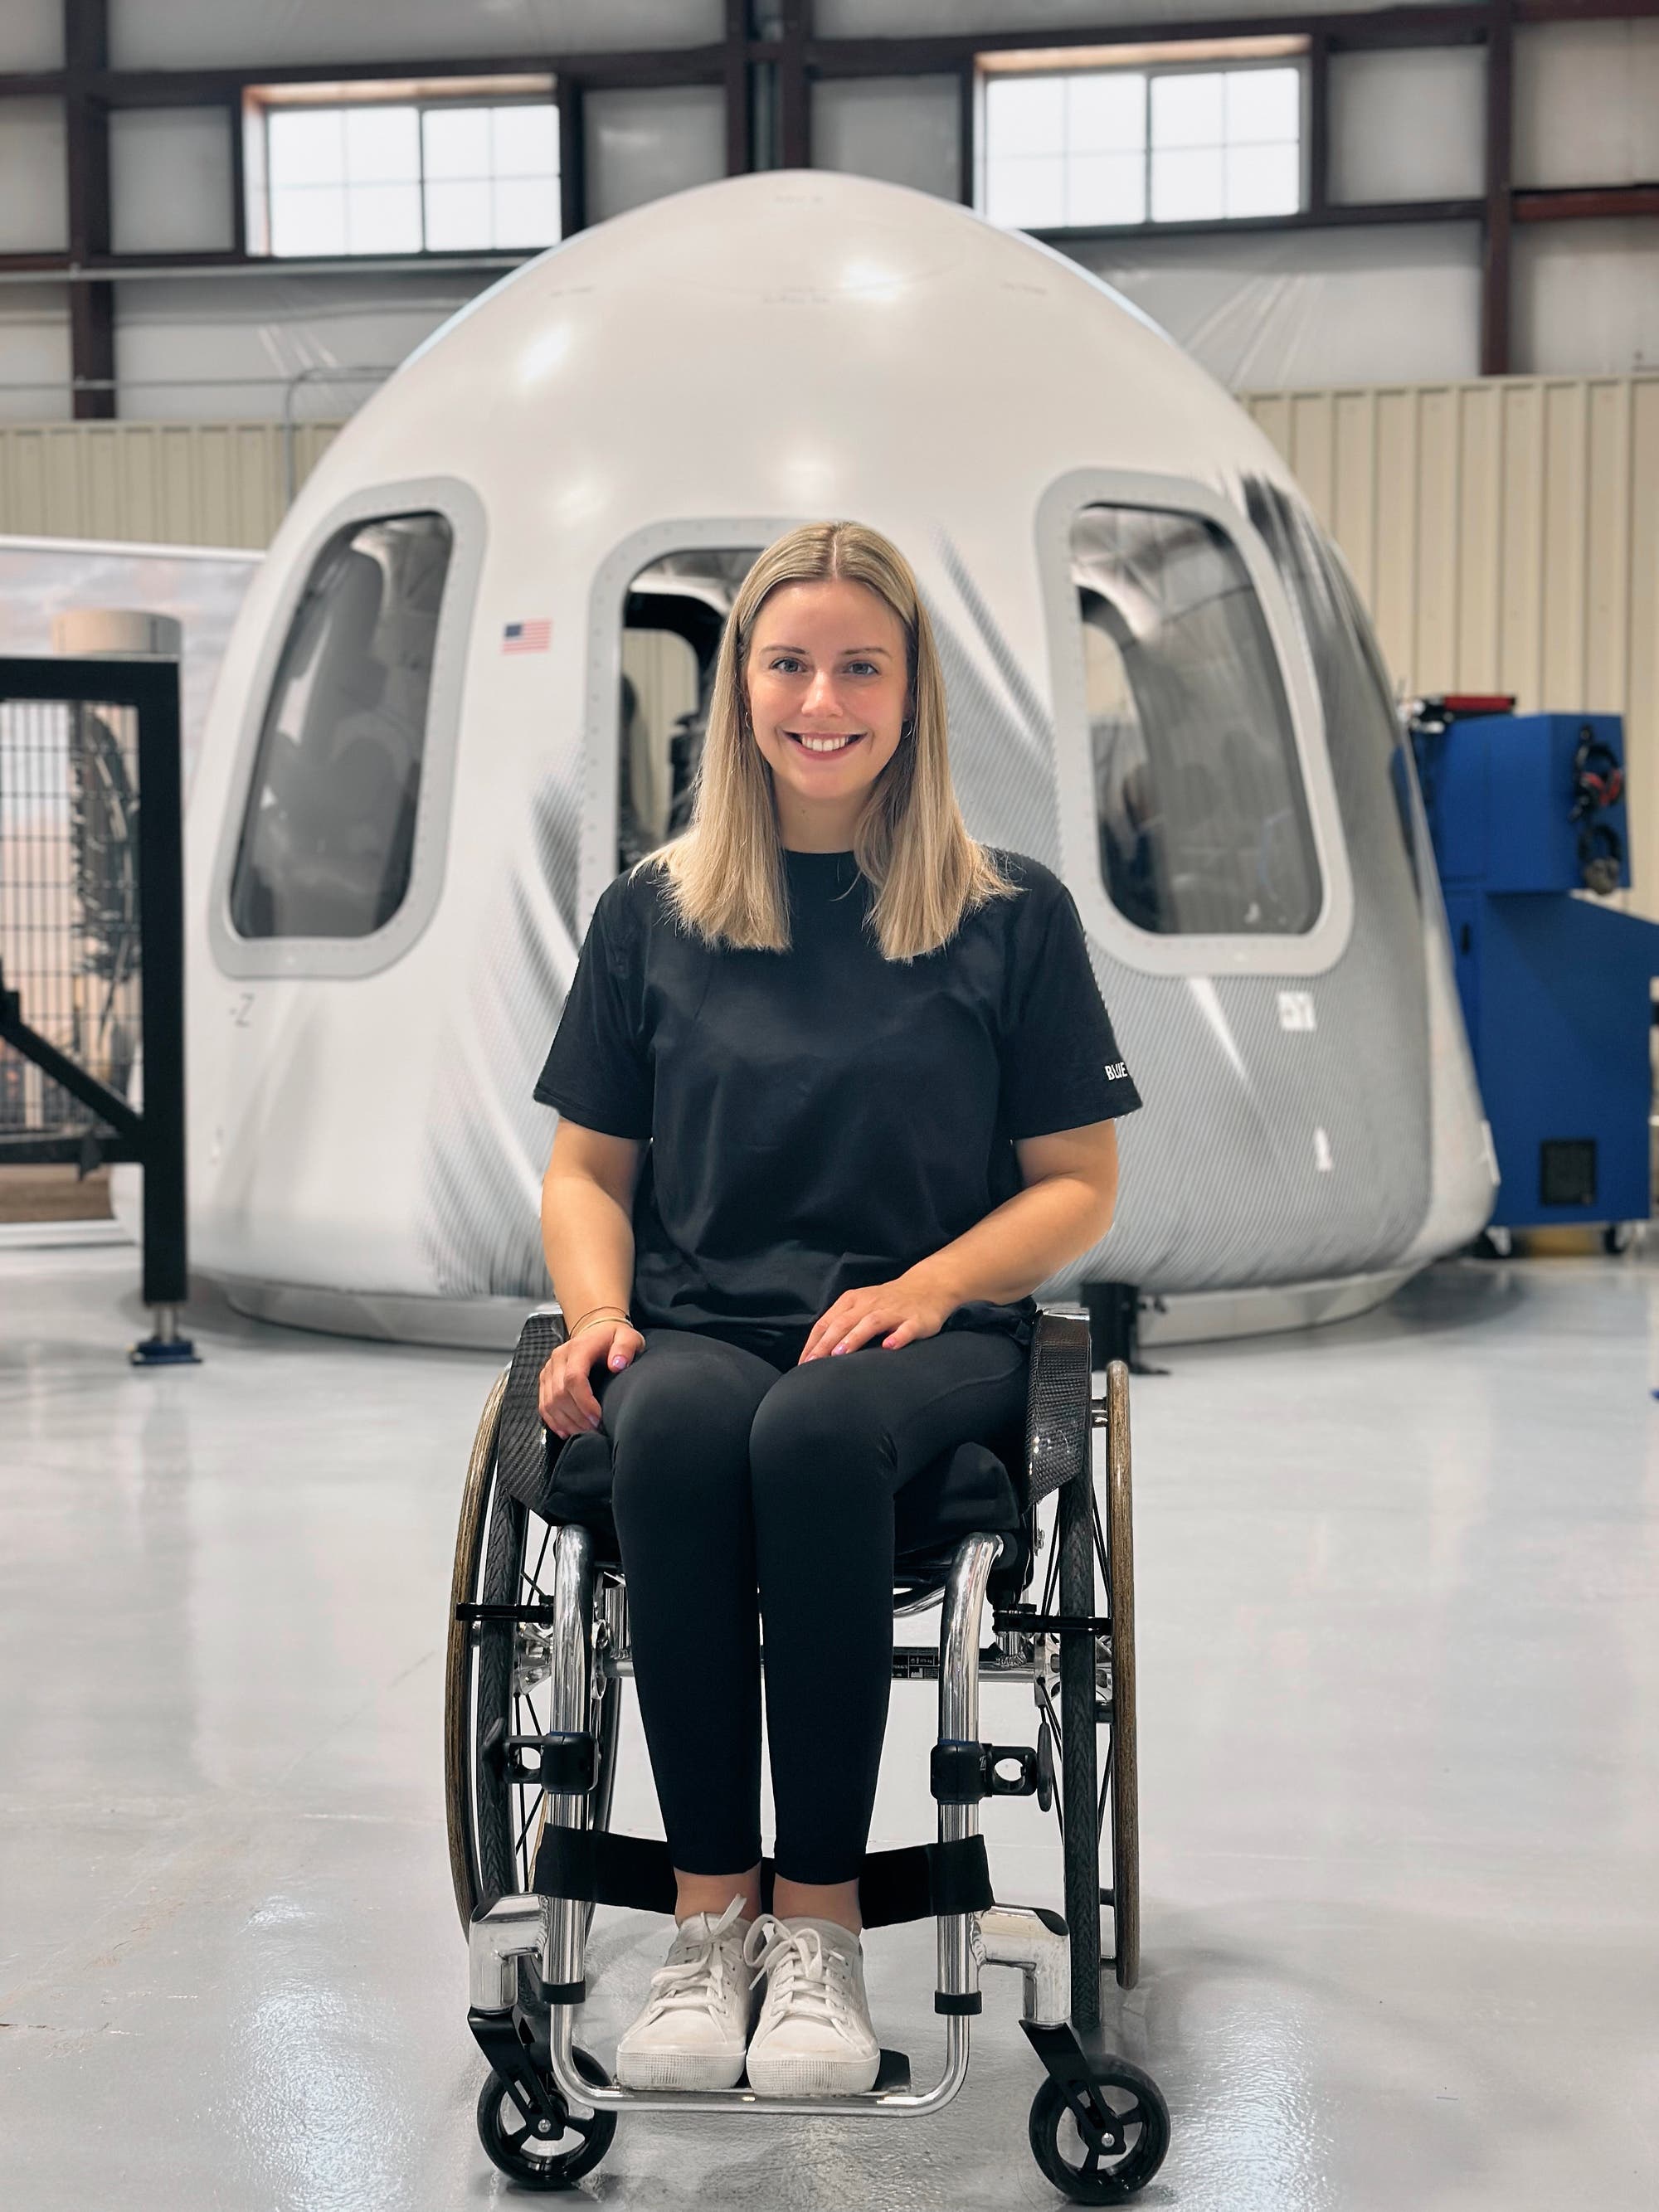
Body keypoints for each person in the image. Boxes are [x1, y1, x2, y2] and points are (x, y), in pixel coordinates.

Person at [531, 520, 1142, 2098]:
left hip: (924, 1338)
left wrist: (929, 1287)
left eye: (859, 665)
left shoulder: (1010, 916)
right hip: (697, 1325)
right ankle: (703, 1920)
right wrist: (599, 1315)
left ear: (913, 689)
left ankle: (818, 1934)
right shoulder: (651, 913)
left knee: (810, 1441)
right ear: (740, 689)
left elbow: (1078, 1183)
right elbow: (588, 1172)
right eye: (788, 663)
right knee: (666, 1431)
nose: (822, 698)